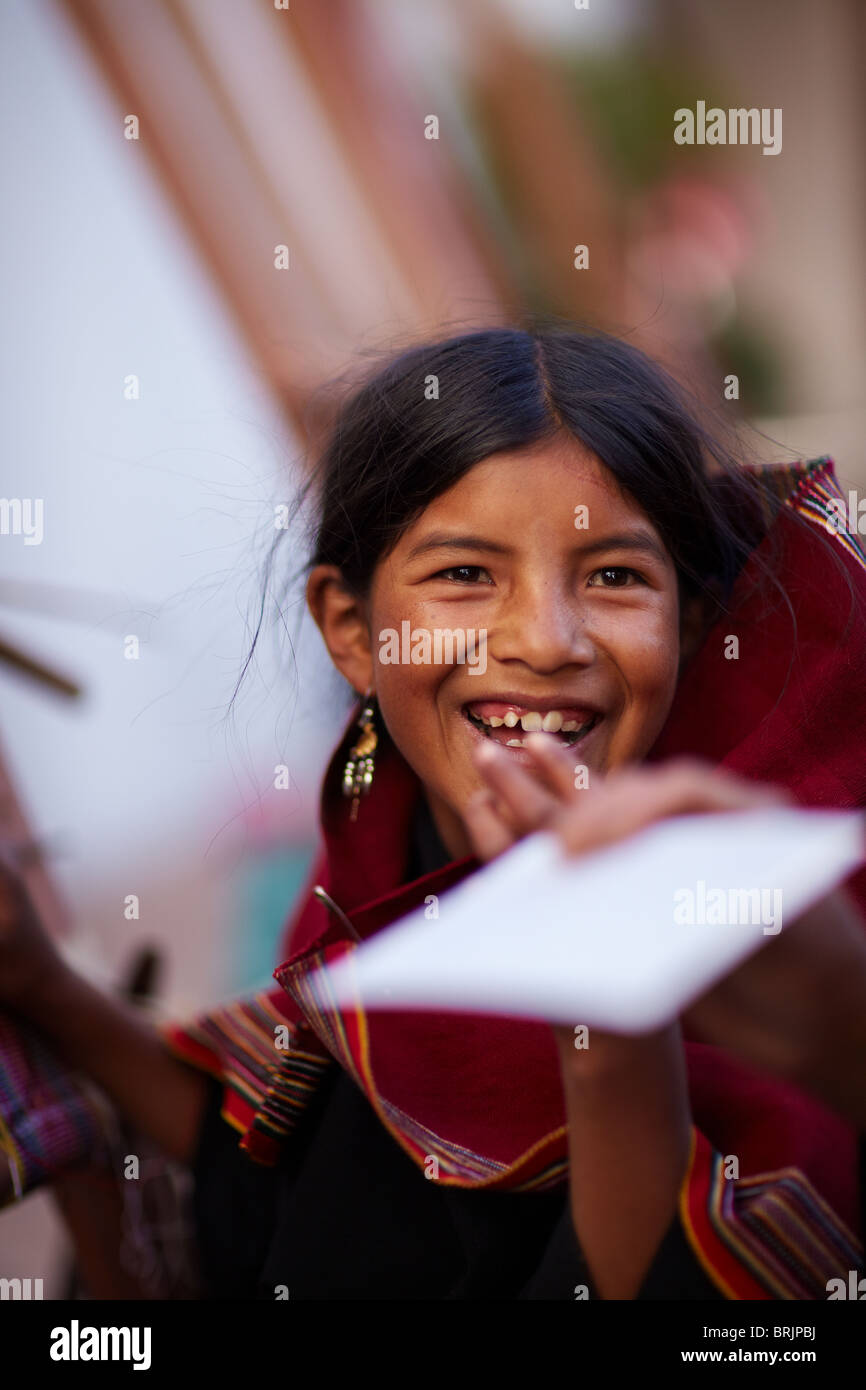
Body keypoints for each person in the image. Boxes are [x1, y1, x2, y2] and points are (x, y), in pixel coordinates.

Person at [2, 326, 866, 1300]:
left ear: (693, 622)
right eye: (463, 574)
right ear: (351, 629)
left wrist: (610, 992)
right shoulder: (380, 854)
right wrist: (42, 980)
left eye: (615, 575)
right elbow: (273, 1186)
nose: (545, 639)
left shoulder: (775, 912)